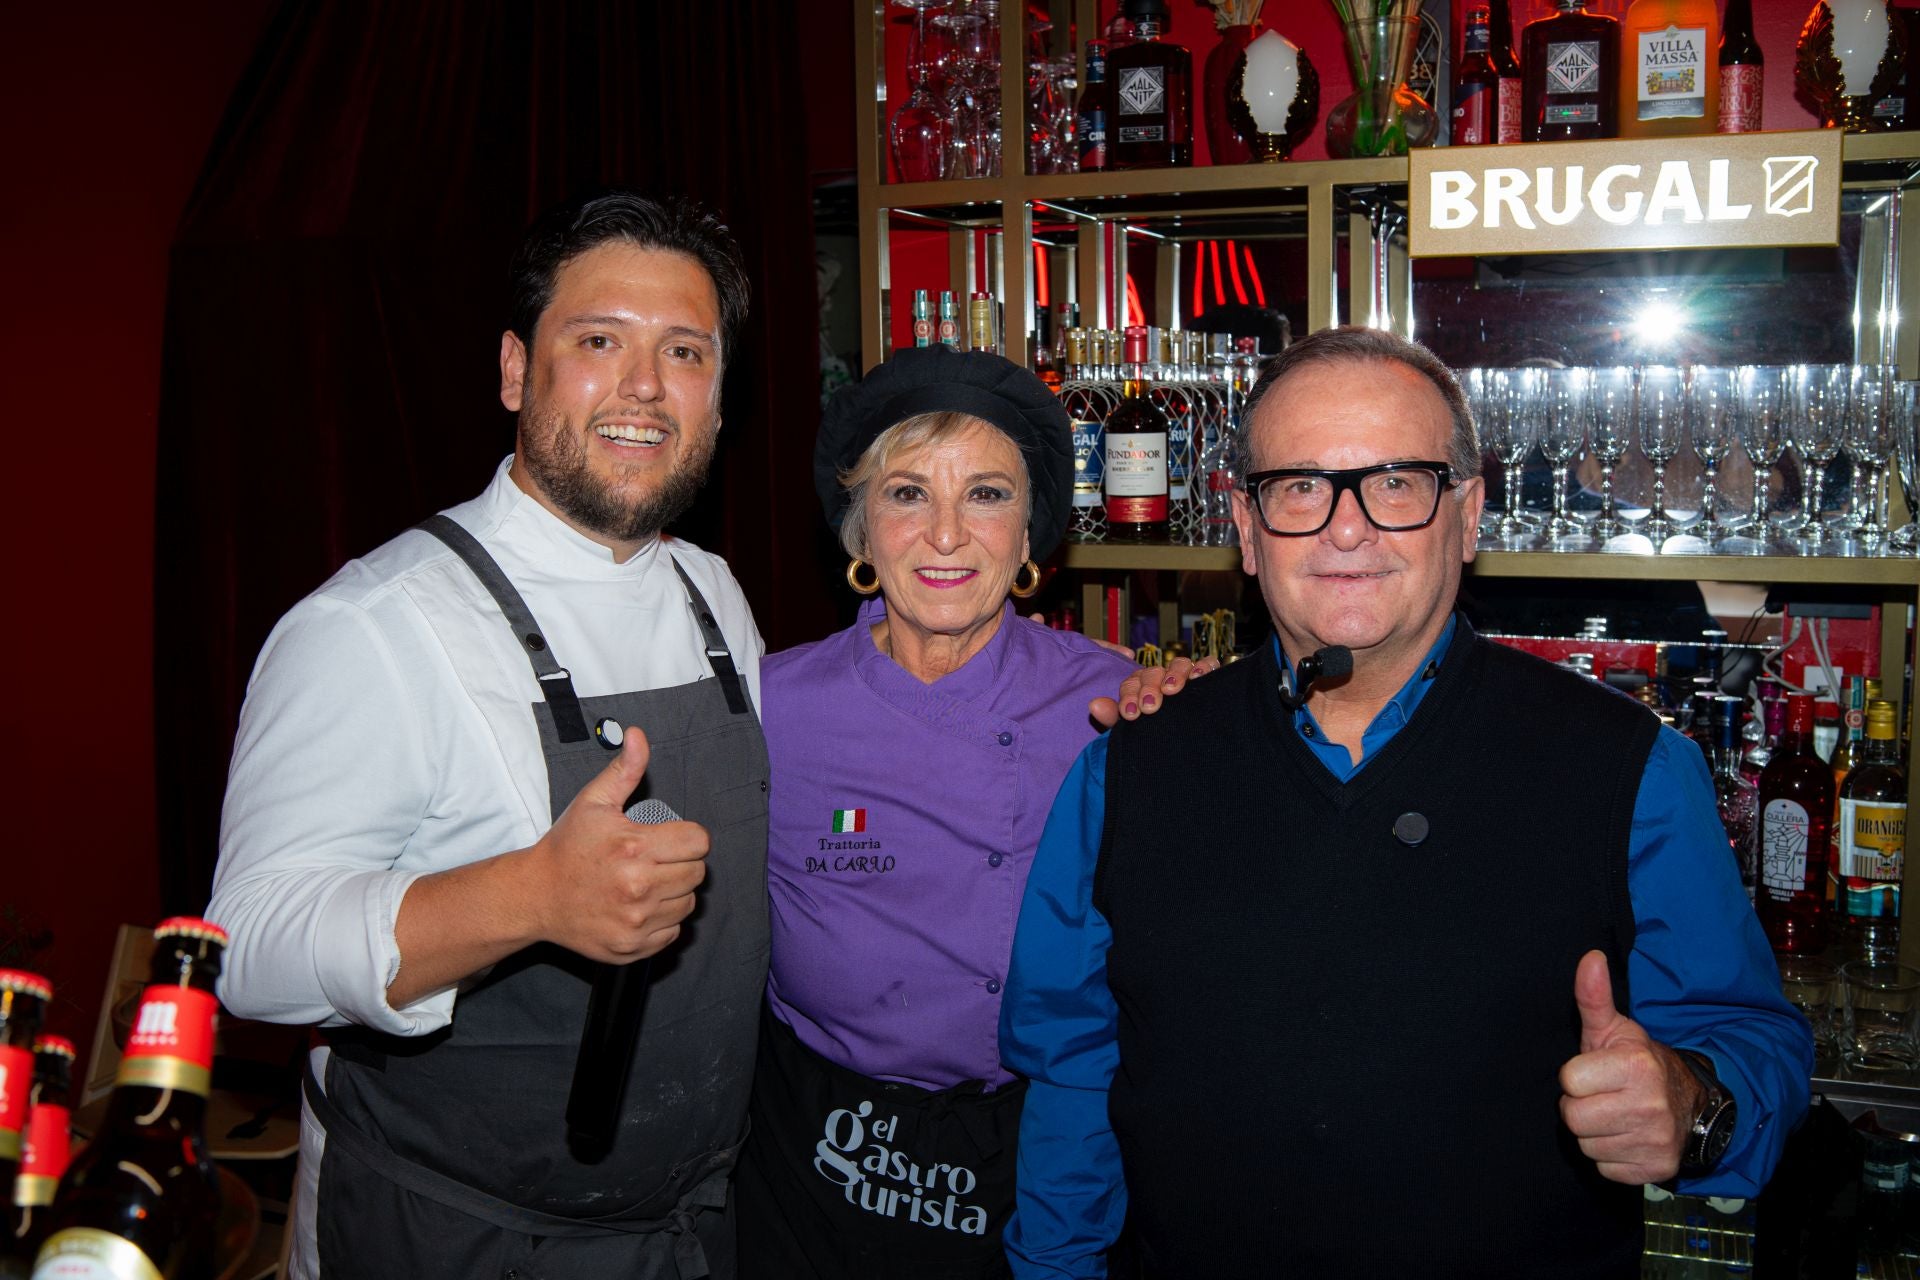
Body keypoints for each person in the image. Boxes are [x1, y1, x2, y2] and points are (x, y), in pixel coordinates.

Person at [999, 326, 1814, 1279]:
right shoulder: (1125, 773)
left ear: (1467, 516)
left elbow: (1754, 1042)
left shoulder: (1628, 769)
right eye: (1299, 486)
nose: (1347, 528)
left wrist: (1692, 1105)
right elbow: (1070, 1083)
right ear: (1245, 528)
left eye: (1396, 483)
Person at [208, 191, 768, 1279]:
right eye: (598, 340)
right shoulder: (374, 625)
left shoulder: (715, 596)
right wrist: (531, 897)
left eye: (685, 352)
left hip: (690, 1221)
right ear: (517, 371)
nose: (645, 387)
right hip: (452, 1234)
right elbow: (251, 949)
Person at [734, 347, 1141, 1279]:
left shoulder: (1116, 704)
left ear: (1032, 528)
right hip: (818, 1158)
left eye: (988, 495)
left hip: (1037, 1150)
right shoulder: (774, 709)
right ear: (861, 530)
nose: (947, 535)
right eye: (909, 494)